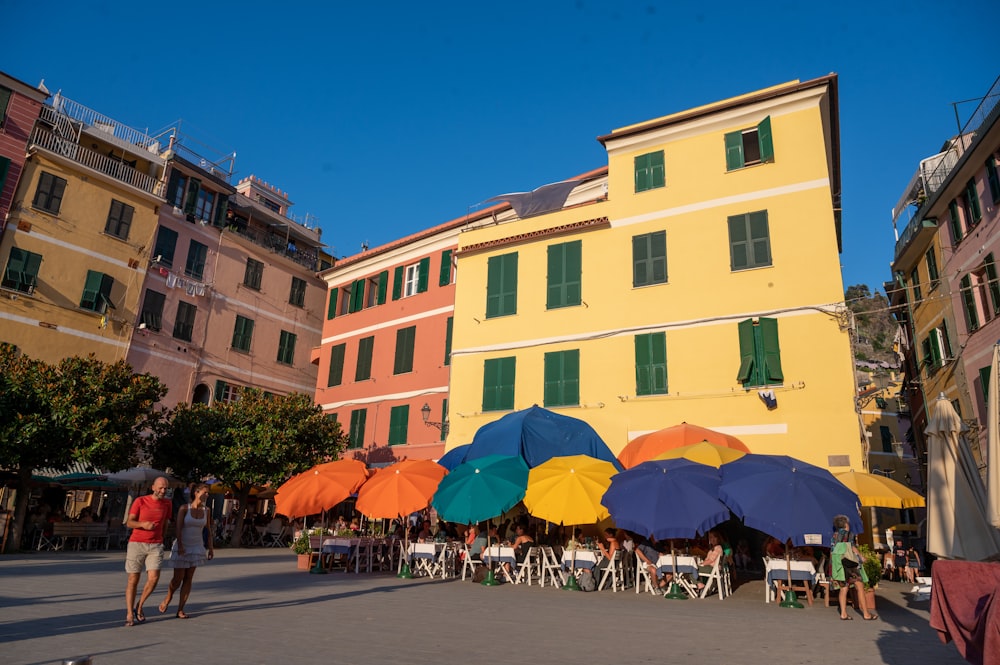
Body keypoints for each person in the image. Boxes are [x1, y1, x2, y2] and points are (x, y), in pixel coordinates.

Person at [158, 483, 214, 619]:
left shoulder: (206, 510)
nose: (207, 495)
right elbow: (178, 528)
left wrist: (211, 547)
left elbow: (208, 529)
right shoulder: (184, 508)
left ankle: (180, 609)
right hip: (183, 545)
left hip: (197, 546)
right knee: (178, 579)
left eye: (208, 493)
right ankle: (168, 597)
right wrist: (181, 545)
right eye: (205, 493)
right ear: (196, 492)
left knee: (189, 578)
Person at [124, 477, 172, 627]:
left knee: (154, 578)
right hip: (137, 543)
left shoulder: (167, 504)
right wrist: (143, 525)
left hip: (155, 545)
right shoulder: (140, 501)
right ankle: (130, 613)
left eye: (165, 488)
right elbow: (129, 522)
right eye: (160, 488)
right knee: (133, 579)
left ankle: (140, 605)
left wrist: (161, 538)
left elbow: (165, 522)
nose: (163, 491)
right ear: (153, 487)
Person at [831, 514, 877, 621]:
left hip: (839, 565)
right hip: (850, 564)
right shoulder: (849, 534)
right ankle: (866, 614)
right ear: (846, 524)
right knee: (860, 587)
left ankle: (843, 613)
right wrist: (861, 557)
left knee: (843, 589)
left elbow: (833, 550)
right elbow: (852, 547)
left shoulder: (834, 535)